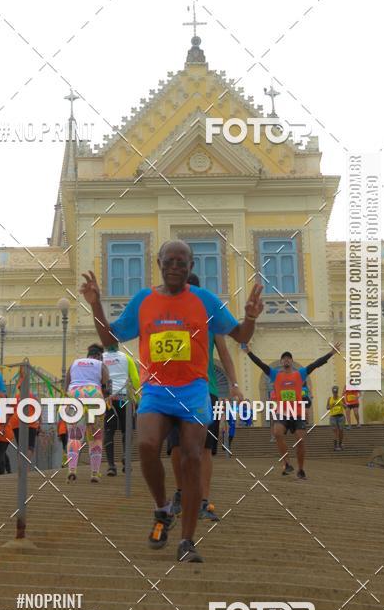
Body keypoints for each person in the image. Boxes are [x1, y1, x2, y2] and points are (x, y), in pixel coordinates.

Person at [80, 240, 264, 563]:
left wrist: (250, 318)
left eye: (183, 262)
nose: (176, 266)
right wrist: (95, 304)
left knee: (192, 457)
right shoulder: (144, 301)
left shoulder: (205, 300)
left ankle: (187, 540)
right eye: (170, 261)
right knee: (147, 445)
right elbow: (109, 339)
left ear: (191, 267)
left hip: (193, 391)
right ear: (159, 263)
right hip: (156, 389)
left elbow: (240, 336)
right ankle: (163, 508)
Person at [168, 273, 243, 522]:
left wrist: (233, 385)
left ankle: (202, 500)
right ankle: (180, 494)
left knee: (206, 448)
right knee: (176, 445)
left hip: (205, 390)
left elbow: (225, 354)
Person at [244, 343, 341, 480]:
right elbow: (260, 364)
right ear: (281, 362)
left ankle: (301, 469)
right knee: (277, 433)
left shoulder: (299, 374)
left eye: (289, 358)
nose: (286, 360)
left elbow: (316, 364)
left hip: (297, 413)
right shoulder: (275, 375)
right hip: (283, 411)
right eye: (284, 358)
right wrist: (249, 352)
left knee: (301, 440)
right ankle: (287, 462)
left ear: (292, 361)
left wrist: (331, 353)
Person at [65, 344, 110, 483]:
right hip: (94, 394)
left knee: (74, 435)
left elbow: (66, 384)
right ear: (99, 356)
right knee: (95, 436)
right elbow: (107, 386)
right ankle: (94, 473)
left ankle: (72, 470)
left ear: (88, 354)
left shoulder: (74, 363)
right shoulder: (101, 365)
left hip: (74, 394)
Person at [102, 340, 140, 476]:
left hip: (109, 399)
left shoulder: (102, 358)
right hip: (124, 398)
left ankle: (111, 466)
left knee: (109, 431)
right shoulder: (126, 358)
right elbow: (135, 379)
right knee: (127, 428)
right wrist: (138, 399)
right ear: (117, 345)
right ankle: (126, 457)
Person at [10, 391, 42, 463]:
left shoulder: (16, 397)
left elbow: (9, 411)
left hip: (16, 423)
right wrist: (40, 423)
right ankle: (25, 467)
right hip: (30, 423)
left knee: (21, 447)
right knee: (30, 447)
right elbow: (38, 409)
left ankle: (20, 467)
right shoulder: (32, 396)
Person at [0, 400, 14, 474]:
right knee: (1, 453)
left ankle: (1, 472)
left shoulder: (2, 408)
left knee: (0, 453)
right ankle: (8, 469)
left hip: (4, 433)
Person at [327, 386, 346, 451]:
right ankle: (335, 446)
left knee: (341, 431)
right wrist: (331, 406)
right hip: (333, 417)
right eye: (334, 392)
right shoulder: (330, 398)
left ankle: (340, 444)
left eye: (336, 392)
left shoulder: (341, 398)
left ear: (337, 392)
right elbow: (327, 407)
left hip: (340, 416)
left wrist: (343, 405)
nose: (335, 393)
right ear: (332, 392)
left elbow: (346, 407)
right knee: (335, 431)